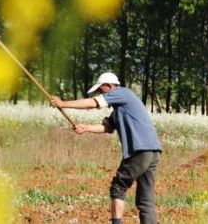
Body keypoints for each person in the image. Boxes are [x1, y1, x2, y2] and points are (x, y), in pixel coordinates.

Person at [50, 72, 162, 224]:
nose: (99, 93)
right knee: (145, 198)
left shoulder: (122, 93)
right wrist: (86, 128)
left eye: (101, 90)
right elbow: (107, 127)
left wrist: (63, 103)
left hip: (139, 151)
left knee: (118, 187)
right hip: (153, 151)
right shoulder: (119, 109)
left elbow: (93, 103)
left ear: (109, 86)